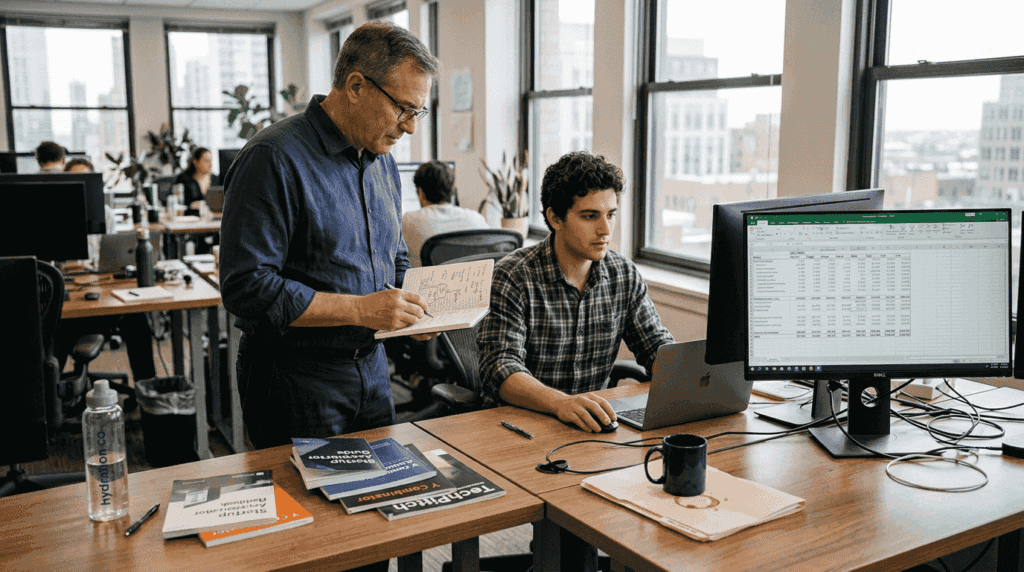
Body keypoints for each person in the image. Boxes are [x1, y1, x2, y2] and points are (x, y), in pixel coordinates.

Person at [219, 21, 440, 451]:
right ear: (356, 85)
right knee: (309, 514)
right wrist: (360, 310)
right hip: (295, 378)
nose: (410, 127)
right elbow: (246, 288)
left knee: (382, 507)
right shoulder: (273, 158)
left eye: (418, 112)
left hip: (372, 370)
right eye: (403, 108)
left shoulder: (382, 161)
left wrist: (412, 311)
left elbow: (392, 253)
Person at [478, 151, 675, 432]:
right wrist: (561, 403)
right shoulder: (514, 275)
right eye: (590, 216)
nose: (605, 229)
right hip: (518, 426)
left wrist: (691, 381)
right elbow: (500, 368)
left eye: (611, 214)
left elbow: (656, 346)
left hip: (589, 425)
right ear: (556, 218)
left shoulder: (623, 274)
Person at [58, 158, 157, 385]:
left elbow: (113, 260)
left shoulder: (105, 213)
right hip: (69, 303)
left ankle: (147, 391)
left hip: (101, 297)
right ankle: (52, 404)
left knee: (137, 319)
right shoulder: (55, 214)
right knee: (56, 330)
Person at [402, 160, 489, 267]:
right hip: (469, 282)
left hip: (426, 282)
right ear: (452, 190)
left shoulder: (408, 221)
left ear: (420, 192)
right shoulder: (476, 219)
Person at [174, 147, 217, 217]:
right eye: (206, 161)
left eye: (211, 161)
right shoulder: (183, 179)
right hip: (190, 219)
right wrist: (191, 205)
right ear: (195, 162)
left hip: (212, 217)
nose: (210, 165)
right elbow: (177, 202)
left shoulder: (216, 179)